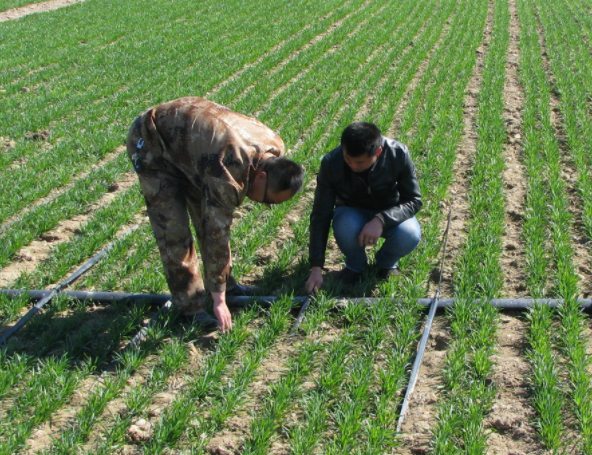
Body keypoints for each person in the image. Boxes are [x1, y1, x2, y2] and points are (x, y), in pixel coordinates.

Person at [127, 97, 304, 332]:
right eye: (267, 200)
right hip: (152, 143)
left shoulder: (274, 147)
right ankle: (190, 306)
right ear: (261, 177)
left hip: (194, 150)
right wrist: (218, 302)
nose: (265, 205)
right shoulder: (229, 173)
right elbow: (216, 235)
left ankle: (226, 286)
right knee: (174, 231)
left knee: (203, 213)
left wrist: (222, 287)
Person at [305, 122, 422, 293]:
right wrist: (316, 267)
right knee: (344, 223)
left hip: (390, 211)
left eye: (360, 162)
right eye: (348, 159)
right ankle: (355, 266)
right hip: (352, 212)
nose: (353, 166)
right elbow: (321, 213)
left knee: (409, 233)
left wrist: (381, 219)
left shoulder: (398, 154)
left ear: (378, 152)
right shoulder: (332, 163)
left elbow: (414, 200)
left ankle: (386, 263)